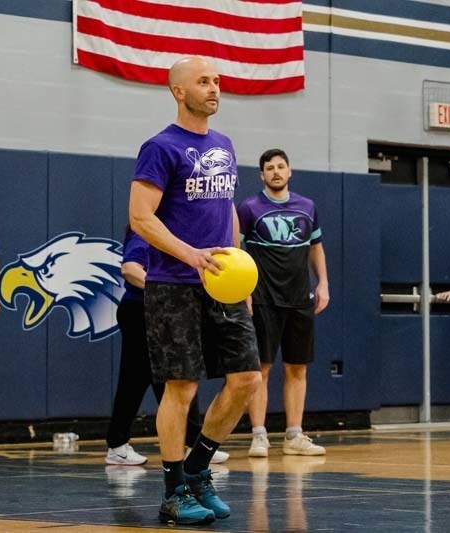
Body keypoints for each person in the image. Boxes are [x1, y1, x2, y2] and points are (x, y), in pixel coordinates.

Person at [128, 56, 262, 525]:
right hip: (175, 285)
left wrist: (239, 273)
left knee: (248, 379)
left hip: (223, 284)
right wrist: (191, 256)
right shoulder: (160, 147)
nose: (214, 88)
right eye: (203, 81)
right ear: (178, 91)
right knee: (181, 389)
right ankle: (171, 493)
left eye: (217, 81)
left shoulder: (224, 145)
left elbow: (227, 214)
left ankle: (198, 468)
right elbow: (140, 217)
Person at [105, 228, 229, 466]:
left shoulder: (178, 235)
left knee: (178, 377)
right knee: (139, 378)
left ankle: (192, 440)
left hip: (165, 311)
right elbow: (130, 269)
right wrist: (162, 291)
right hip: (140, 311)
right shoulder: (146, 232)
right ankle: (117, 445)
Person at [237, 149, 330, 458]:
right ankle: (259, 435)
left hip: (299, 299)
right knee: (261, 368)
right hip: (263, 298)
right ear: (262, 175)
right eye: (269, 168)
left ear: (290, 172)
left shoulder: (307, 207)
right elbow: (236, 250)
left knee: (297, 368)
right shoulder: (249, 208)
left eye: (280, 166)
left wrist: (323, 285)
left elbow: (316, 248)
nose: (276, 171)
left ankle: (294, 435)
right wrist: (244, 291)